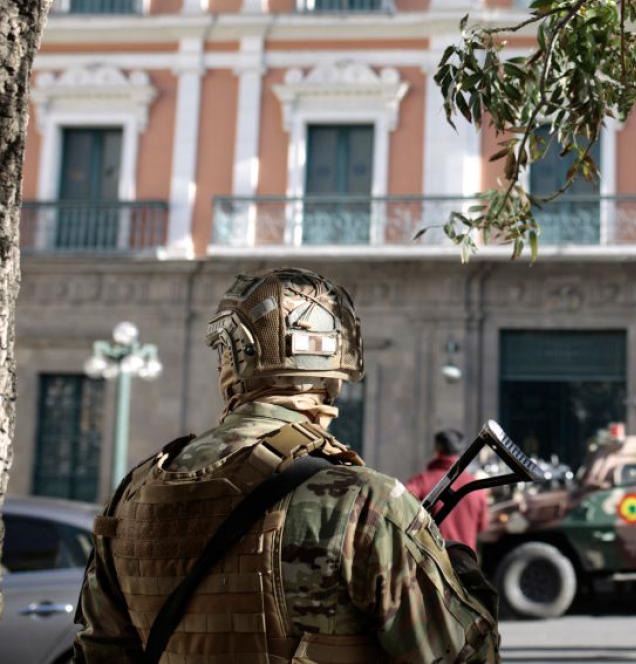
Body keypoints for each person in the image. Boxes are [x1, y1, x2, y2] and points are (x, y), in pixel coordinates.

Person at [75, 268, 499, 663]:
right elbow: (465, 655)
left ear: (231, 364)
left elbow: (98, 652)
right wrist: (460, 572)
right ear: (333, 375)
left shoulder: (133, 494)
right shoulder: (366, 503)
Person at [405, 428, 490, 550]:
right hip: (465, 563)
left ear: (437, 449)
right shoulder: (477, 487)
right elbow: (483, 526)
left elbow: (400, 508)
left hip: (433, 563)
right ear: (462, 451)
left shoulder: (421, 482)